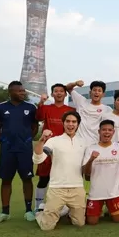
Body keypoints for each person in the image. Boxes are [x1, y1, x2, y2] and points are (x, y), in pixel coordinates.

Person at [0, 81, 38, 224]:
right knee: (6, 180)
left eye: (24, 91)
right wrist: (4, 142)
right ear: (11, 92)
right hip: (8, 150)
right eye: (20, 91)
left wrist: (27, 139)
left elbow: (34, 127)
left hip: (24, 150)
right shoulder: (0, 108)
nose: (23, 93)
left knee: (27, 179)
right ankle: (5, 212)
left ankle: (29, 210)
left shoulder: (31, 108)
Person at [32, 111, 88, 230]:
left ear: (78, 124)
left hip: (77, 188)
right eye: (68, 121)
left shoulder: (84, 142)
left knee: (79, 223)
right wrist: (42, 140)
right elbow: (38, 159)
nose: (70, 124)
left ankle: (65, 209)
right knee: (47, 227)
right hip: (57, 188)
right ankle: (40, 212)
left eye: (74, 122)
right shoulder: (54, 141)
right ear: (63, 123)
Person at [34, 83, 75, 211]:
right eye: (55, 91)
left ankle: (64, 207)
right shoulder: (46, 108)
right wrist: (41, 102)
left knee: (63, 178)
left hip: (64, 149)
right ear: (52, 94)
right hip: (48, 148)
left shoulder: (71, 110)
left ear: (65, 93)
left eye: (61, 91)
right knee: (44, 178)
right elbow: (38, 117)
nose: (58, 93)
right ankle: (38, 207)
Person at [82, 120, 119, 225]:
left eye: (110, 130)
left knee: (118, 219)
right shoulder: (90, 149)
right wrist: (91, 159)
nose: (107, 132)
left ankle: (109, 209)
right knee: (92, 222)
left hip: (115, 192)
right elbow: (86, 172)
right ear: (99, 131)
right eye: (104, 130)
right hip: (96, 193)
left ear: (113, 132)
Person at [66, 80, 112, 144]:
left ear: (103, 94)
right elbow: (67, 88)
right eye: (94, 90)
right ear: (90, 92)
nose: (96, 92)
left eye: (99, 91)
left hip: (94, 144)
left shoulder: (107, 109)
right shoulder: (81, 101)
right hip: (78, 143)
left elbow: (118, 117)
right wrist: (75, 83)